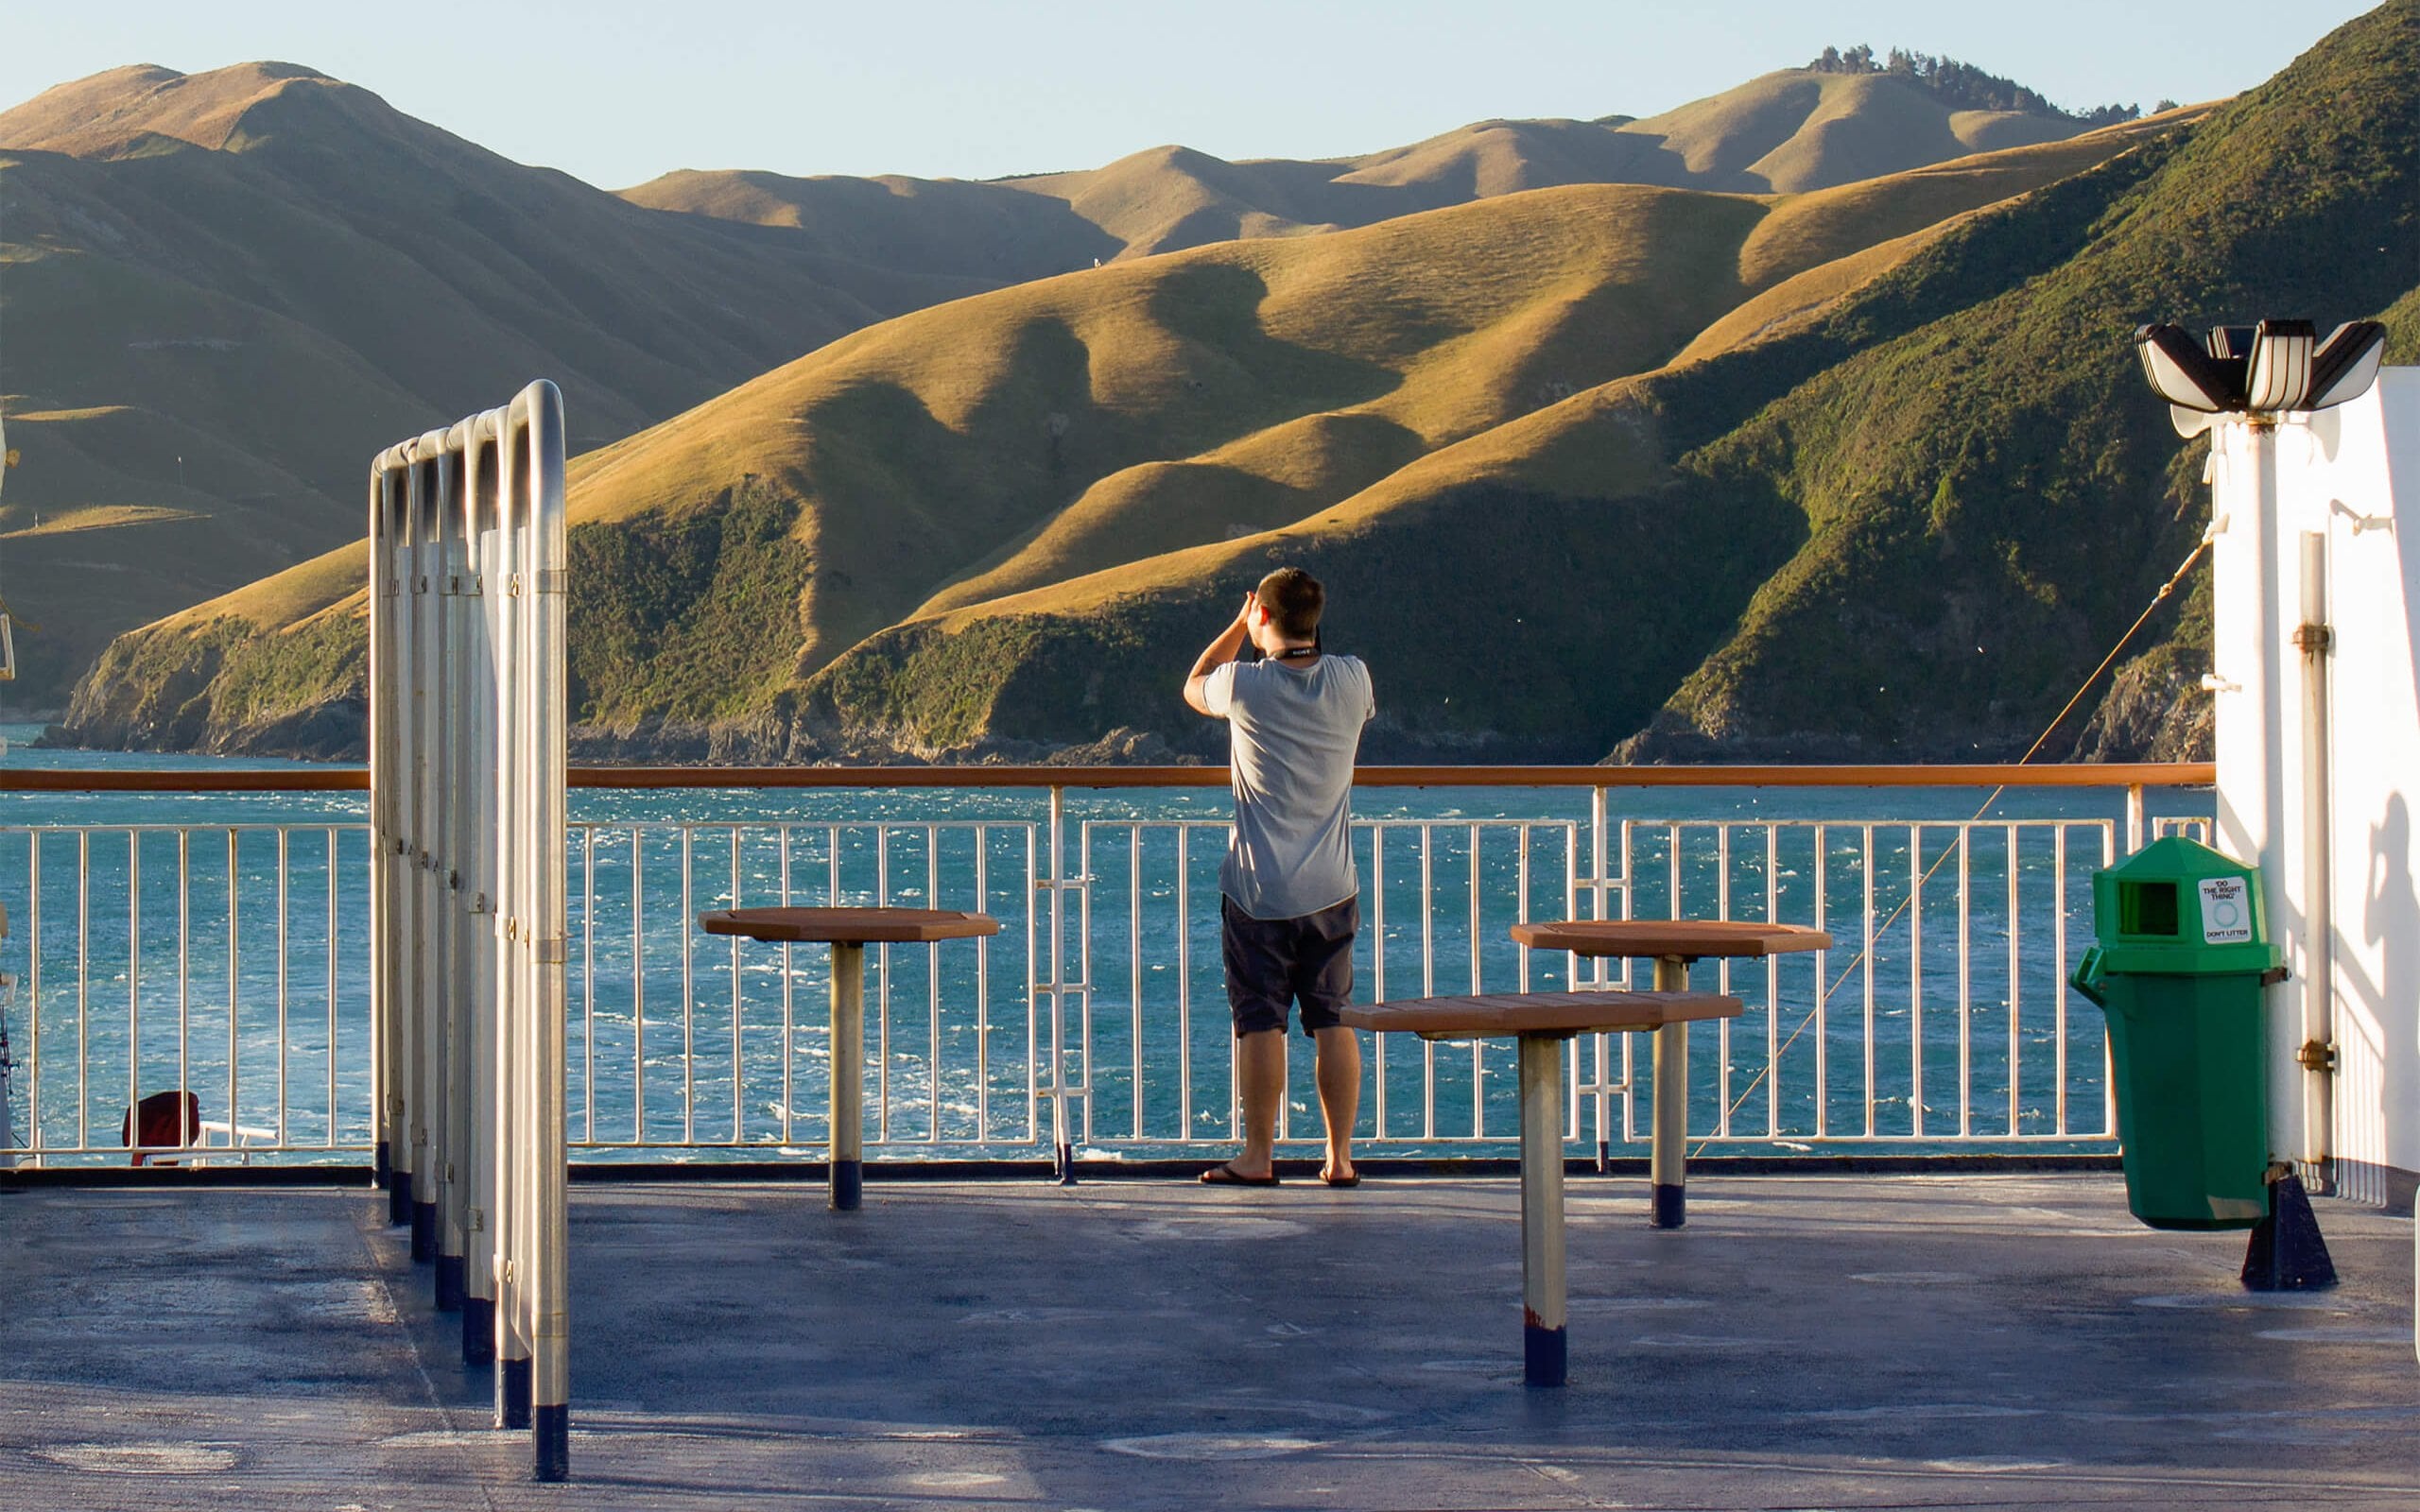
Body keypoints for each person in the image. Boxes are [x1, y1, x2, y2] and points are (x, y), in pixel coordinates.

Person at [1182, 567, 1375, 1187]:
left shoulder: (1243, 687)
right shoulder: (1354, 678)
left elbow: (1193, 685)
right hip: (1332, 884)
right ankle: (1339, 1158)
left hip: (1259, 889)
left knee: (1260, 1018)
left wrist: (1238, 625)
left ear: (1263, 617)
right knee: (1333, 1017)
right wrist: (1268, 621)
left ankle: (1258, 1156)